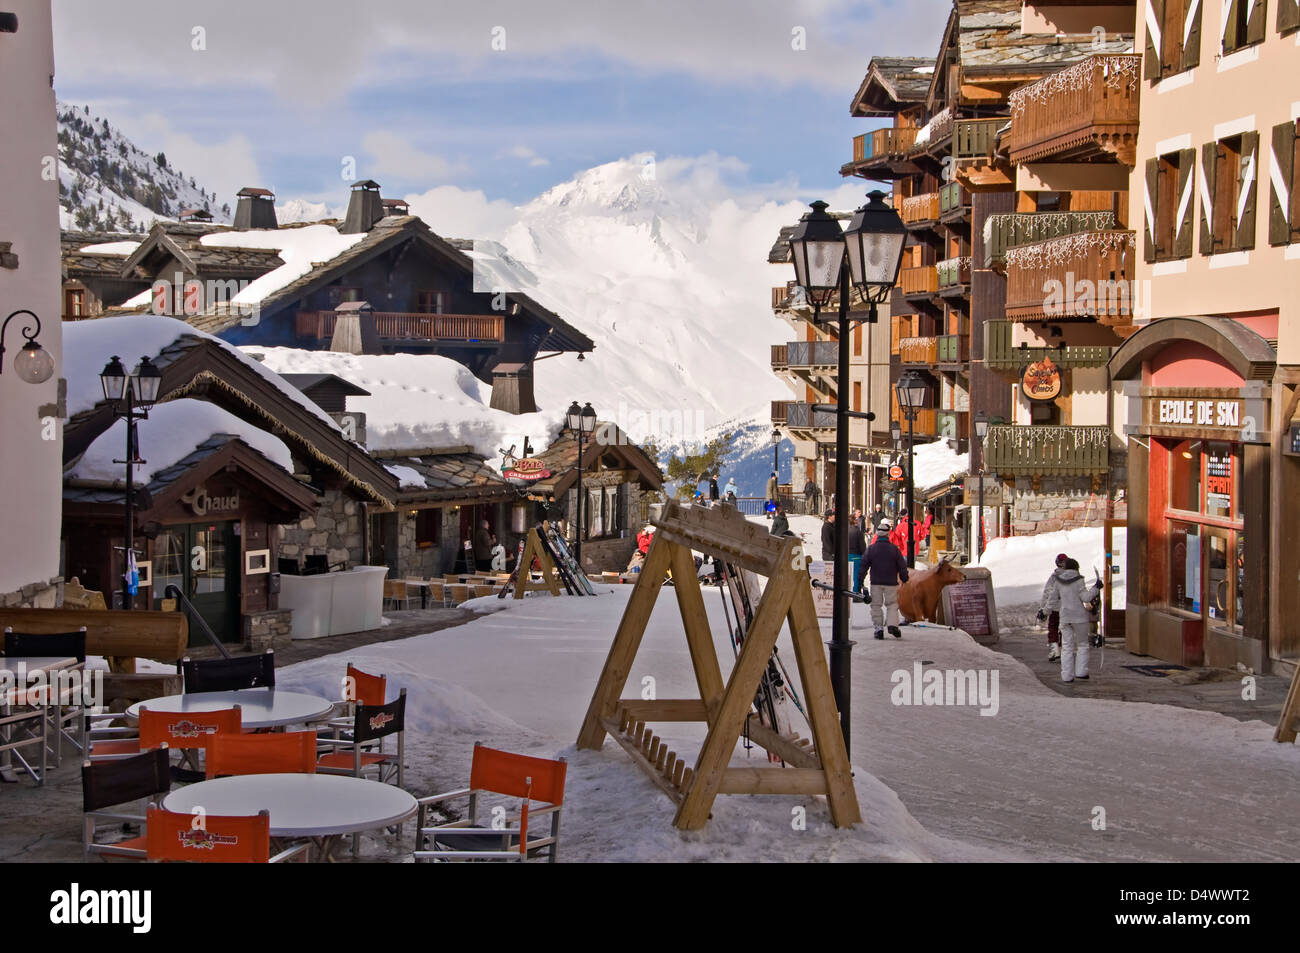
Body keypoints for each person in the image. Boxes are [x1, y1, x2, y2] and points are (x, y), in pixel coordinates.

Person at [860, 518, 908, 639]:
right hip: (891, 582)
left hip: (876, 582)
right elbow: (902, 566)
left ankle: (878, 628)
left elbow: (863, 566)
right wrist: (904, 578)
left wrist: (860, 581)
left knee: (876, 605)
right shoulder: (894, 550)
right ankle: (892, 625)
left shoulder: (871, 549)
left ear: (877, 533)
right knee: (892, 604)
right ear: (888, 533)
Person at [1056, 557, 1101, 683]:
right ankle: (1081, 672)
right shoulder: (1079, 580)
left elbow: (1053, 598)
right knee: (1082, 645)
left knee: (1066, 647)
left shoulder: (1058, 580)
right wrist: (1096, 588)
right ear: (1076, 568)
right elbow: (1086, 598)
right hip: (1079, 618)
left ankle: (1066, 676)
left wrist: (1045, 611)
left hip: (1065, 617)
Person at [1036, 553, 1070, 661]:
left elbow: (1047, 592)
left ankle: (1054, 650)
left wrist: (1043, 607)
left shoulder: (1054, 577)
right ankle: (1066, 649)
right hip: (1068, 607)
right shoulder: (1072, 576)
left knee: (1053, 627)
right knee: (1066, 628)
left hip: (1055, 607)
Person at [847, 510, 865, 592]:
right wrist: (863, 553)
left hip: (846, 555)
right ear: (854, 521)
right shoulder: (857, 531)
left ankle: (846, 591)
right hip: (856, 555)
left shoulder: (845, 531)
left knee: (847, 574)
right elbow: (862, 545)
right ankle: (855, 592)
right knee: (856, 575)